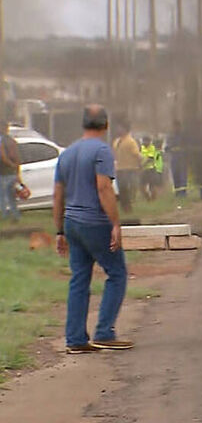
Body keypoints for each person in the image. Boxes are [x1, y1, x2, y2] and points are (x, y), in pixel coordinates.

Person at [53, 105, 132, 354]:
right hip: (95, 222)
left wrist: (59, 231)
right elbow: (104, 188)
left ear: (83, 124)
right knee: (117, 272)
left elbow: (57, 195)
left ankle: (75, 339)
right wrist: (116, 224)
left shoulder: (66, 154)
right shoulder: (102, 150)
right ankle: (104, 333)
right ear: (106, 126)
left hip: (72, 223)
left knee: (79, 279)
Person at [112, 121, 141, 213]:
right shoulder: (116, 141)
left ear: (125, 129)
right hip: (120, 168)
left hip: (130, 168)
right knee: (121, 189)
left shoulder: (131, 141)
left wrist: (141, 162)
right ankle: (124, 207)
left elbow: (136, 154)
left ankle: (129, 207)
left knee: (128, 188)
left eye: (120, 127)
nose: (118, 129)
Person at [1, 121, 22, 222]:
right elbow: (17, 157)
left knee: (2, 196)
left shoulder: (2, 140)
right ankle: (16, 215)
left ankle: (4, 216)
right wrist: (17, 171)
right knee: (11, 196)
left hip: (3, 173)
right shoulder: (12, 141)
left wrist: (10, 164)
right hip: (12, 173)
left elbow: (3, 156)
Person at [165, 120, 189, 198]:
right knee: (175, 175)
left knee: (182, 176)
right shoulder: (170, 136)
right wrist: (168, 148)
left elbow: (188, 147)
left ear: (179, 127)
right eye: (173, 126)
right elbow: (166, 147)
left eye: (176, 126)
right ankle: (177, 193)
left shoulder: (184, 136)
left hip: (182, 159)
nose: (175, 128)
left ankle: (183, 193)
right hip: (174, 159)